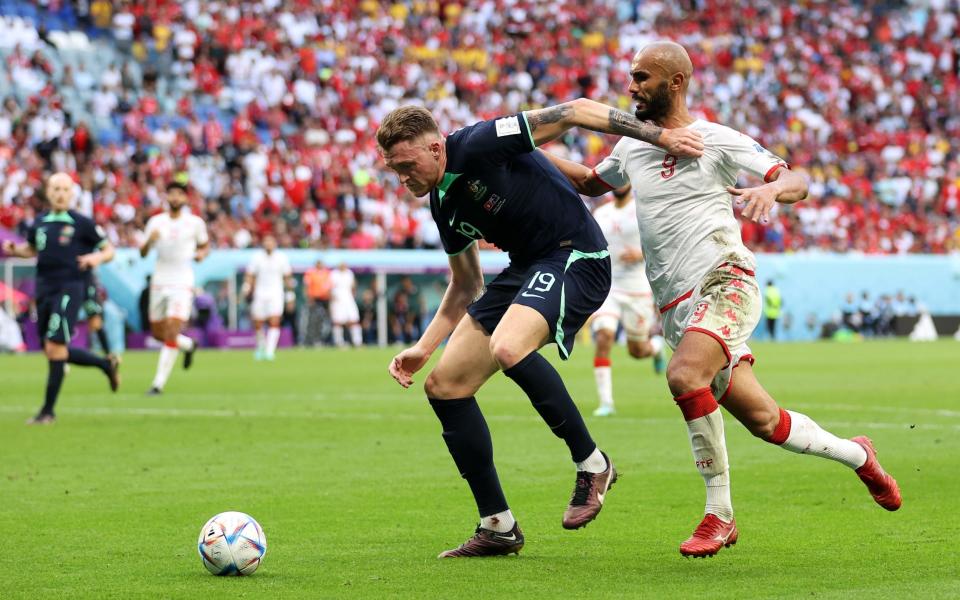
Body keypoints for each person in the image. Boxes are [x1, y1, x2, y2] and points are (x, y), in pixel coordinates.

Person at [542, 41, 900, 558]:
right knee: (765, 422)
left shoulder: (716, 139)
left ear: (676, 82)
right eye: (631, 76)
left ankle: (719, 514)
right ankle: (859, 456)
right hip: (675, 308)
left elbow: (794, 177)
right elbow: (591, 182)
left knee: (684, 377)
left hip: (724, 280)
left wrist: (772, 192)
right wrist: (526, 149)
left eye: (642, 77)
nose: (631, 87)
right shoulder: (632, 146)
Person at [378, 100, 703, 557]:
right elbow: (467, 284)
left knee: (509, 345)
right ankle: (497, 525)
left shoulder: (478, 142)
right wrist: (423, 347)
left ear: (435, 148)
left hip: (577, 255)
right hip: (526, 268)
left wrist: (660, 137)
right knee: (445, 385)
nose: (402, 177)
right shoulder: (442, 202)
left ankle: (593, 463)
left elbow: (574, 110)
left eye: (407, 165)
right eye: (393, 170)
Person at [2, 172, 120, 424]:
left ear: (72, 193)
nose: (60, 194)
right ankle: (104, 364)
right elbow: (32, 249)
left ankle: (48, 412)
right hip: (44, 288)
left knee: (55, 347)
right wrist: (16, 250)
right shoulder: (40, 221)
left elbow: (109, 249)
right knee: (52, 348)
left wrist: (95, 258)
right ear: (48, 192)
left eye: (65, 189)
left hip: (70, 287)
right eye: (55, 189)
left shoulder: (82, 223)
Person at [589, 183, 667, 417]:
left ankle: (655, 349)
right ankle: (606, 402)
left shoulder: (643, 209)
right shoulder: (601, 213)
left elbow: (662, 242)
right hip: (608, 287)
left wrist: (641, 253)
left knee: (637, 350)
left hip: (637, 288)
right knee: (604, 337)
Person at [139, 181, 209, 395]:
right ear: (166, 197)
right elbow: (142, 253)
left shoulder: (195, 223)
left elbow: (204, 245)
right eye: (172, 194)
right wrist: (149, 241)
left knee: (171, 329)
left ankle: (158, 384)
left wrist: (201, 255)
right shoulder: (155, 222)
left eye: (180, 194)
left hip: (182, 281)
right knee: (158, 333)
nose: (176, 197)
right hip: (160, 280)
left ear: (186, 199)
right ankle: (188, 345)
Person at [243, 234, 293, 360]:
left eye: (271, 241)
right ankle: (261, 345)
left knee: (274, 320)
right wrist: (246, 288)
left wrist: (291, 295)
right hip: (260, 294)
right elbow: (250, 275)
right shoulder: (257, 258)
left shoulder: (281, 258)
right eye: (266, 241)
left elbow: (287, 277)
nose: (268, 244)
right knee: (258, 322)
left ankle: (270, 350)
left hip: (276, 294)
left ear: (275, 244)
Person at [329, 262, 362, 347]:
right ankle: (339, 342)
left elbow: (353, 285)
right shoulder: (334, 274)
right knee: (338, 322)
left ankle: (357, 342)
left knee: (354, 320)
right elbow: (330, 287)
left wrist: (353, 294)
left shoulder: (349, 273)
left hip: (349, 299)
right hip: (338, 300)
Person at [83, 269, 113, 357]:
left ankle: (107, 353)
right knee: (94, 326)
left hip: (93, 303)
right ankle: (105, 352)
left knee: (96, 325)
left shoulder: (92, 283)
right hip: (92, 305)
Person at [303, 259, 331, 346]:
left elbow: (329, 287)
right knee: (313, 321)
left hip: (325, 300)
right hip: (314, 300)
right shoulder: (311, 273)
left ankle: (322, 339)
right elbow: (306, 286)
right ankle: (311, 340)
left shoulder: (327, 273)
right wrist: (309, 298)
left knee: (323, 321)